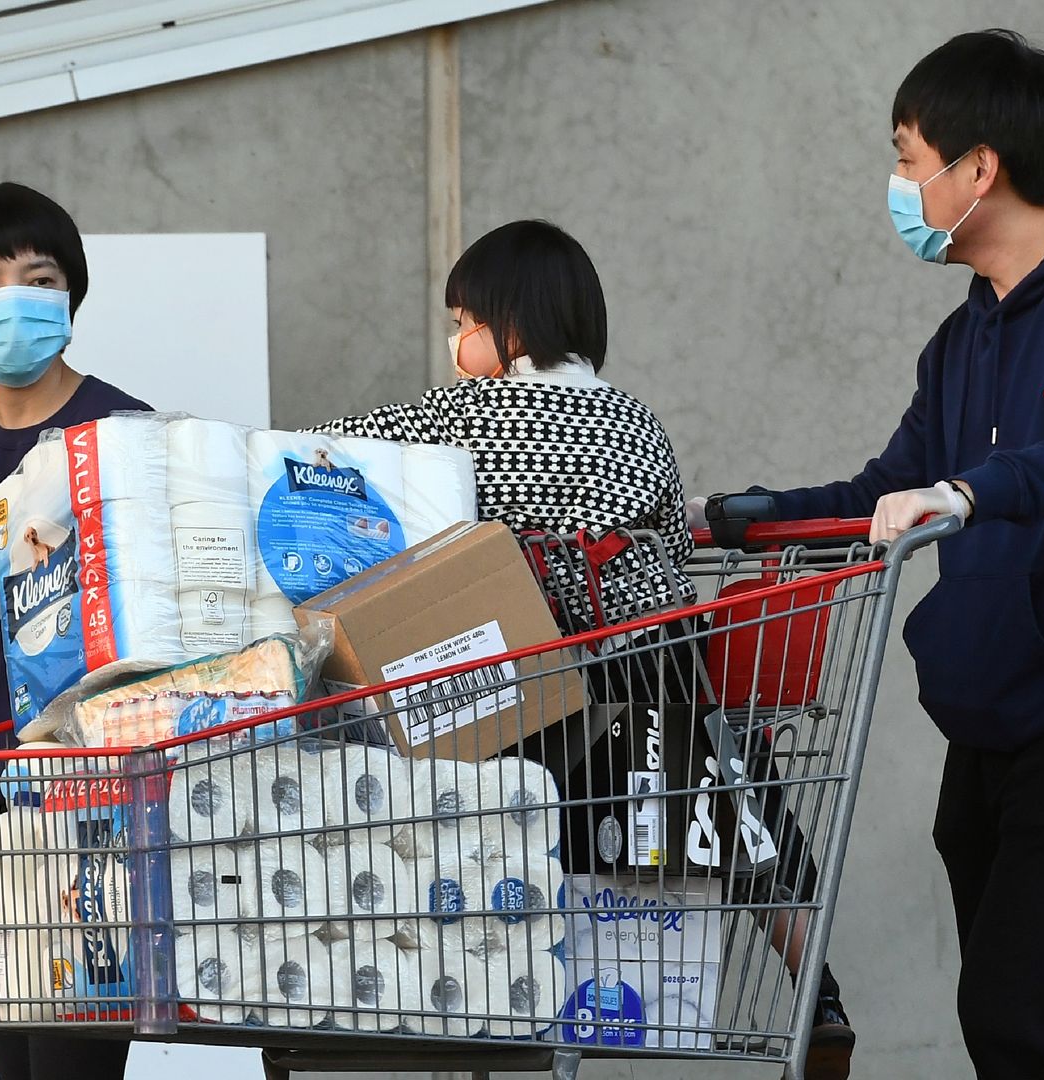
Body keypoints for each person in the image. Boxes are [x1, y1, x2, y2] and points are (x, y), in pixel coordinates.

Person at [704, 30, 1044, 1079]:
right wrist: (737, 519)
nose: (898, 186)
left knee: (1019, 1011)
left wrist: (974, 490)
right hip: (992, 722)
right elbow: (884, 490)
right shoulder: (962, 339)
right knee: (1033, 1028)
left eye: (907, 158)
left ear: (979, 168)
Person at [309, 219, 855, 1078]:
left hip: (538, 693)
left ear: (510, 327)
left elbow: (326, 451)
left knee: (494, 832)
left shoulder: (459, 415)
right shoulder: (638, 421)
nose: (456, 342)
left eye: (464, 323)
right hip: (657, 674)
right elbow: (670, 537)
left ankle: (501, 1017)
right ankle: (816, 987)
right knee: (729, 787)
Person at [0, 182, 148, 1080]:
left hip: (97, 803)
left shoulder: (124, 435)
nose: (14, 299)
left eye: (38, 278)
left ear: (69, 294)